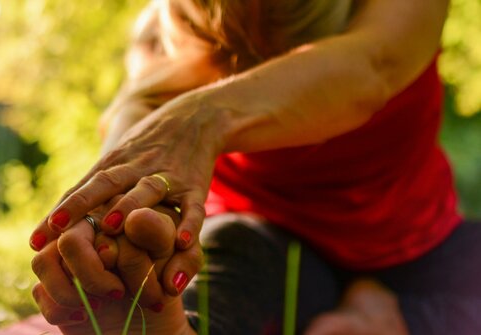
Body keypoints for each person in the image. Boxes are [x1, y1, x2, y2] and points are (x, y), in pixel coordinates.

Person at [29, 0, 481, 334]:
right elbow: (133, 141)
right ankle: (166, 324)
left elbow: (371, 69)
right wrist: (112, 233)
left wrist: (198, 119)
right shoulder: (164, 34)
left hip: (423, 247)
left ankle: (390, 317)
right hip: (266, 241)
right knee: (228, 259)